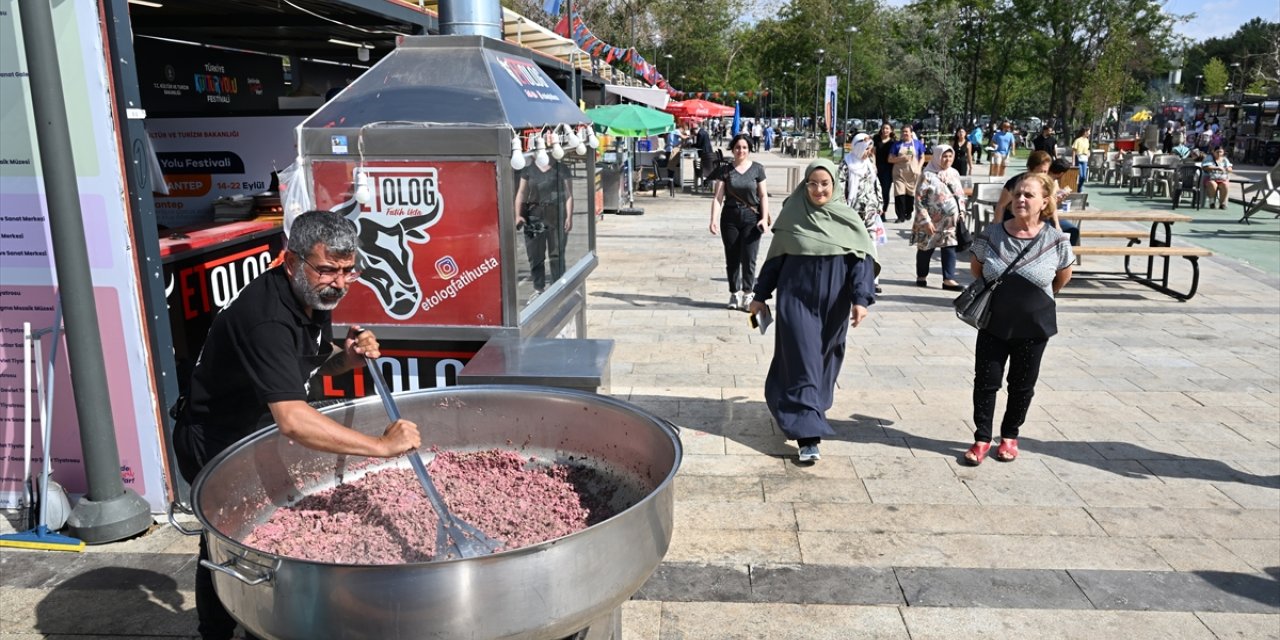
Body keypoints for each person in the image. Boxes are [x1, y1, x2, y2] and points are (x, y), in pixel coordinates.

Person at [173, 210, 422, 640]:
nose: (340, 283)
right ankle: (222, 631)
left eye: (348, 271)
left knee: (264, 535)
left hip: (257, 431)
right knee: (229, 541)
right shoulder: (267, 318)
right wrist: (381, 447)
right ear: (292, 261)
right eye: (327, 270)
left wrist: (347, 358)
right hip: (214, 439)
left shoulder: (311, 297)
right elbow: (291, 419)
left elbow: (299, 369)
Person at [747, 159, 878, 463]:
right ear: (804, 184)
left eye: (824, 184)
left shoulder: (848, 219)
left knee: (826, 358)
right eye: (812, 183)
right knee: (803, 359)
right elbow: (775, 260)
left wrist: (861, 299)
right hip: (796, 300)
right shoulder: (792, 215)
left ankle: (806, 407)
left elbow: (862, 263)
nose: (818, 189)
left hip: (835, 303)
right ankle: (808, 437)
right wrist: (760, 296)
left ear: (834, 186)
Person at [964, 172, 1074, 466]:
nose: (1021, 199)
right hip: (994, 321)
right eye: (1017, 194)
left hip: (1034, 325)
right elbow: (978, 270)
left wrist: (1036, 298)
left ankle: (1010, 435)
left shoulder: (1056, 240)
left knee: (1022, 384)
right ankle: (982, 438)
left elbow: (1063, 276)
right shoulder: (991, 234)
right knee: (986, 382)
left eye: (1028, 195)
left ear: (1045, 202)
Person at [710, 133, 770, 310]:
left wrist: (764, 219)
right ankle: (734, 293)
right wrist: (713, 219)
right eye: (737, 147)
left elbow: (763, 195)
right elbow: (717, 197)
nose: (741, 151)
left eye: (744, 147)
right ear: (733, 149)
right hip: (730, 217)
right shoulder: (725, 170)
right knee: (732, 258)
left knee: (749, 257)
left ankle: (747, 293)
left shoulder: (757, 169)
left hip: (752, 218)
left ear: (749, 149)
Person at [515, 157, 574, 296]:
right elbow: (521, 193)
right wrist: (518, 215)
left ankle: (557, 286)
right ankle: (538, 288)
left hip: (556, 215)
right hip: (534, 216)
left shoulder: (562, 169)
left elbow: (569, 195)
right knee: (535, 255)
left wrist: (569, 217)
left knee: (557, 254)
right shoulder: (528, 171)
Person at [911, 144, 967, 290]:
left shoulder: (954, 173)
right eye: (944, 156)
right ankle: (921, 275)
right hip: (931, 221)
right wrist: (925, 220)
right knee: (925, 248)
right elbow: (919, 199)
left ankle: (948, 279)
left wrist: (961, 212)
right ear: (937, 157)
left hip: (950, 221)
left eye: (950, 156)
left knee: (949, 247)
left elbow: (959, 194)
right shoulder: (927, 175)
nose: (947, 159)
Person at [994, 153, 1079, 246]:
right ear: (1030, 169)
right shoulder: (1017, 182)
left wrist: (1057, 225)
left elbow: (1051, 206)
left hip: (1042, 219)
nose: (1043, 175)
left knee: (1072, 230)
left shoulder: (1045, 182)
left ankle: (1062, 257)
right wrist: (997, 230)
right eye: (1040, 171)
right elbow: (1001, 205)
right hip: (1018, 219)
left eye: (1045, 171)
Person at [843, 133, 885, 293]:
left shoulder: (869, 164)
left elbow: (876, 184)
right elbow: (841, 188)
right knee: (853, 246)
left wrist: (880, 202)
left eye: (870, 148)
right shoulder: (846, 164)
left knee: (872, 245)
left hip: (870, 213)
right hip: (852, 213)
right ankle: (852, 277)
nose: (869, 152)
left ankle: (873, 279)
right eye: (867, 149)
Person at [888, 124, 924, 223]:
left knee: (910, 195)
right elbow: (890, 159)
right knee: (899, 194)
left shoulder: (917, 144)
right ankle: (900, 216)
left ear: (911, 133)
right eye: (903, 132)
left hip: (913, 173)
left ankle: (908, 212)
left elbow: (922, 157)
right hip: (899, 173)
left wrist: (919, 167)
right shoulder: (896, 145)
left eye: (906, 132)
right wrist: (900, 158)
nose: (904, 134)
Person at [872, 122, 897, 216]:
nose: (885, 130)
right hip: (877, 167)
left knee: (885, 191)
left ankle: (883, 211)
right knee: (875, 190)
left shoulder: (893, 142)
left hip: (888, 169)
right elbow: (873, 153)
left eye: (887, 128)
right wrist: (874, 165)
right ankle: (875, 210)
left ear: (891, 130)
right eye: (883, 128)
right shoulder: (876, 138)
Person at [1070, 127, 1091, 192]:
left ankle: (1079, 188)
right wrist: (1073, 161)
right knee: (1080, 175)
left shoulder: (1087, 140)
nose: (1089, 133)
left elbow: (1087, 149)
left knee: (1084, 176)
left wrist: (1088, 153)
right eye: (1089, 131)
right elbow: (1074, 151)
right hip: (1078, 159)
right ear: (1085, 132)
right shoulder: (1077, 140)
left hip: (1084, 159)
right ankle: (1078, 189)